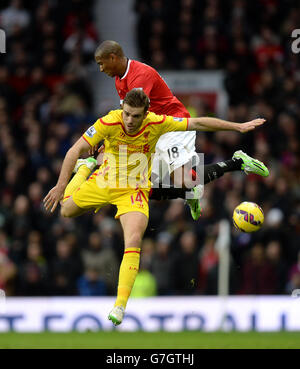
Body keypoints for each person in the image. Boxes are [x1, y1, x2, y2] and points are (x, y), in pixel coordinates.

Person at [43, 89, 268, 326]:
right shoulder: (109, 121)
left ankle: (120, 305)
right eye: (127, 114)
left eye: (135, 116)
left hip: (134, 190)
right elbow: (73, 149)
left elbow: (199, 122)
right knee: (66, 210)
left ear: (145, 114)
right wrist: (60, 185)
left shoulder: (157, 122)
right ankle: (87, 166)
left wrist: (238, 127)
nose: (130, 120)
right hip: (103, 181)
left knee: (134, 239)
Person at [94, 40, 202, 220]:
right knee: (138, 182)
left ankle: (234, 163)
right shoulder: (119, 79)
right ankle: (189, 192)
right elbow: (126, 116)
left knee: (182, 180)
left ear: (112, 58)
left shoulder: (140, 76)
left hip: (173, 123)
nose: (101, 69)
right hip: (154, 129)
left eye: (101, 63)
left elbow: (136, 115)